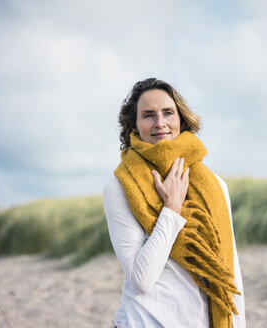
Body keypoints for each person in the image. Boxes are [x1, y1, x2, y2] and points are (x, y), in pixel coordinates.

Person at [102, 78, 245, 328]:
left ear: (181, 119)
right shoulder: (120, 187)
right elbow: (141, 278)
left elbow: (230, 272)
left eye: (168, 112)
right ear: (133, 126)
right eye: (148, 115)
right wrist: (171, 209)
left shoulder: (215, 185)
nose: (160, 123)